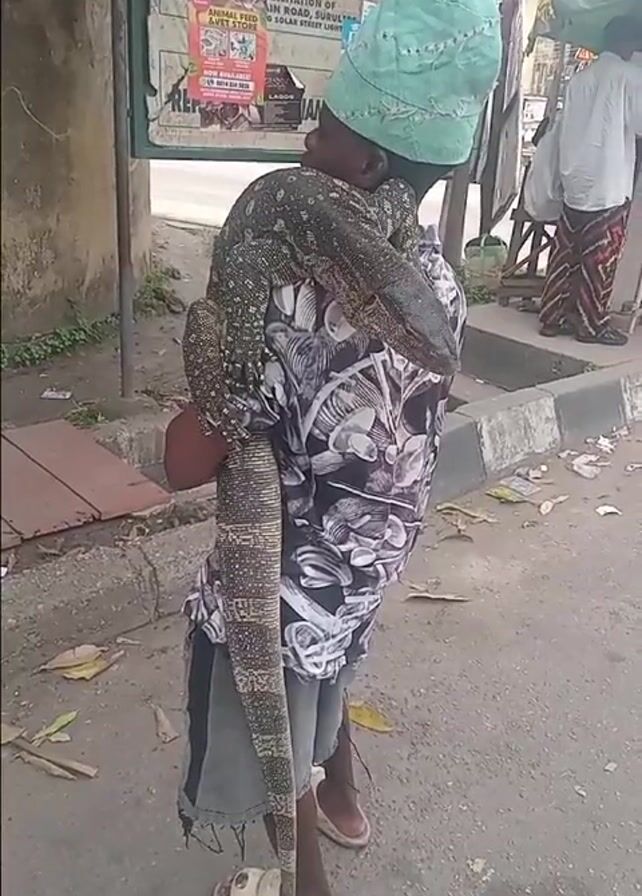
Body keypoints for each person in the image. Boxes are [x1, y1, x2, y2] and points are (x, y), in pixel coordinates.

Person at [165, 2, 501, 894]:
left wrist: (215, 377)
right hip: (369, 560)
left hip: (286, 583)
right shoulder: (440, 280)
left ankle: (304, 871)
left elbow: (185, 464)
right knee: (335, 668)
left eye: (322, 129)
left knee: (282, 731)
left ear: (369, 163)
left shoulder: (287, 304)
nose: (305, 142)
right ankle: (346, 797)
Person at [538, 15, 642, 346]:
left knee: (565, 253)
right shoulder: (629, 76)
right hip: (608, 181)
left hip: (575, 177)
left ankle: (552, 317)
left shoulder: (580, 78)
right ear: (630, 44)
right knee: (600, 258)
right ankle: (590, 324)